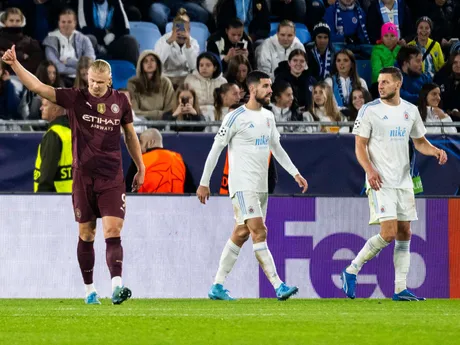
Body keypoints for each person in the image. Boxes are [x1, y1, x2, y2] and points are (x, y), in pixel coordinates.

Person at [2, 45, 145, 305]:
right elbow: (38, 87)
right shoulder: (75, 98)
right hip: (83, 178)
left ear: (110, 80)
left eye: (101, 83)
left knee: (113, 229)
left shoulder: (121, 102)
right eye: (92, 81)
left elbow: (130, 135)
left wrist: (141, 166)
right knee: (87, 234)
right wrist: (15, 65)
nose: (96, 87)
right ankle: (90, 290)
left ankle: (117, 286)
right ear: (87, 79)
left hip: (111, 177)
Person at [196, 70, 308, 301]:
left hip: (260, 186)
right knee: (260, 231)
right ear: (253, 89)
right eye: (266, 86)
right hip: (242, 185)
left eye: (270, 86)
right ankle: (278, 286)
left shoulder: (268, 116)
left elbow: (276, 147)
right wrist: (204, 182)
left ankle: (217, 286)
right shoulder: (235, 117)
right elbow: (216, 149)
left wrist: (295, 173)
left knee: (242, 232)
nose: (270, 90)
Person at [342, 66, 448, 301]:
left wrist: (435, 151)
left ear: (398, 84)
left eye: (386, 82)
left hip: (404, 181)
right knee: (388, 233)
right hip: (380, 180)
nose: (380, 86)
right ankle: (352, 269)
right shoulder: (369, 111)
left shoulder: (410, 111)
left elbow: (419, 142)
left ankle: (400, 288)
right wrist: (369, 170)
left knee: (405, 232)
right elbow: (359, 146)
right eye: (379, 82)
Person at [125, 128, 196, 193]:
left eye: (141, 142)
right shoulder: (178, 160)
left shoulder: (140, 161)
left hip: (146, 205)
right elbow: (191, 190)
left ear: (151, 142)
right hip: (176, 205)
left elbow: (128, 191)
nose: (139, 146)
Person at [42, 8, 95, 86]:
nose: (66, 25)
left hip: (82, 77)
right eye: (63, 22)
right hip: (61, 77)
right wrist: (79, 68)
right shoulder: (50, 40)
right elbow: (56, 67)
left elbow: (90, 62)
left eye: (69, 22)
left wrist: (69, 62)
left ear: (75, 23)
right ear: (59, 23)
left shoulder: (84, 39)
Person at [33, 98, 72, 192]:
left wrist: (41, 197)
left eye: (45, 105)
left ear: (55, 109)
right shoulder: (72, 130)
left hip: (56, 199)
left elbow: (47, 173)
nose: (41, 108)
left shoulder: (54, 134)